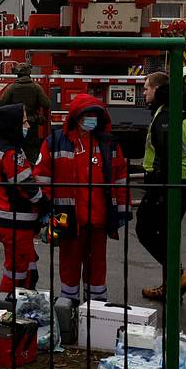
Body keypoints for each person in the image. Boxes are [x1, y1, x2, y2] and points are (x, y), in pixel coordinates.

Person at [35, 93, 128, 310]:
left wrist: (121, 212)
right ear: (77, 117)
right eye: (87, 115)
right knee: (68, 263)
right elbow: (41, 176)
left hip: (99, 217)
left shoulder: (109, 144)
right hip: (65, 216)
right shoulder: (56, 142)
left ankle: (96, 309)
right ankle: (68, 306)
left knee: (97, 264)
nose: (91, 120)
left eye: (95, 115)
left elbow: (120, 178)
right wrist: (45, 209)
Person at [135, 72, 186, 300]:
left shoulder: (167, 115)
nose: (144, 92)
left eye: (146, 88)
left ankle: (178, 275)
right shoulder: (180, 109)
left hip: (169, 184)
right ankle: (172, 287)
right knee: (164, 235)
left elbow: (166, 153)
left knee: (146, 230)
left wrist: (158, 187)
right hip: (180, 181)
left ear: (158, 90)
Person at [0, 104, 46, 293]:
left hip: (12, 220)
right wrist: (44, 203)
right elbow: (26, 185)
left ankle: (26, 298)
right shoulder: (11, 153)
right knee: (16, 271)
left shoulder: (4, 145)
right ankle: (7, 308)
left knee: (28, 265)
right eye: (23, 122)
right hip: (15, 221)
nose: (28, 126)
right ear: (11, 126)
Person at [0, 63, 51, 163]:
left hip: (15, 124)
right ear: (29, 73)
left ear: (17, 74)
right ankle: (33, 173)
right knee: (31, 151)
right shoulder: (36, 87)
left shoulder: (11, 88)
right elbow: (46, 103)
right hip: (31, 124)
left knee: (16, 152)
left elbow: (1, 103)